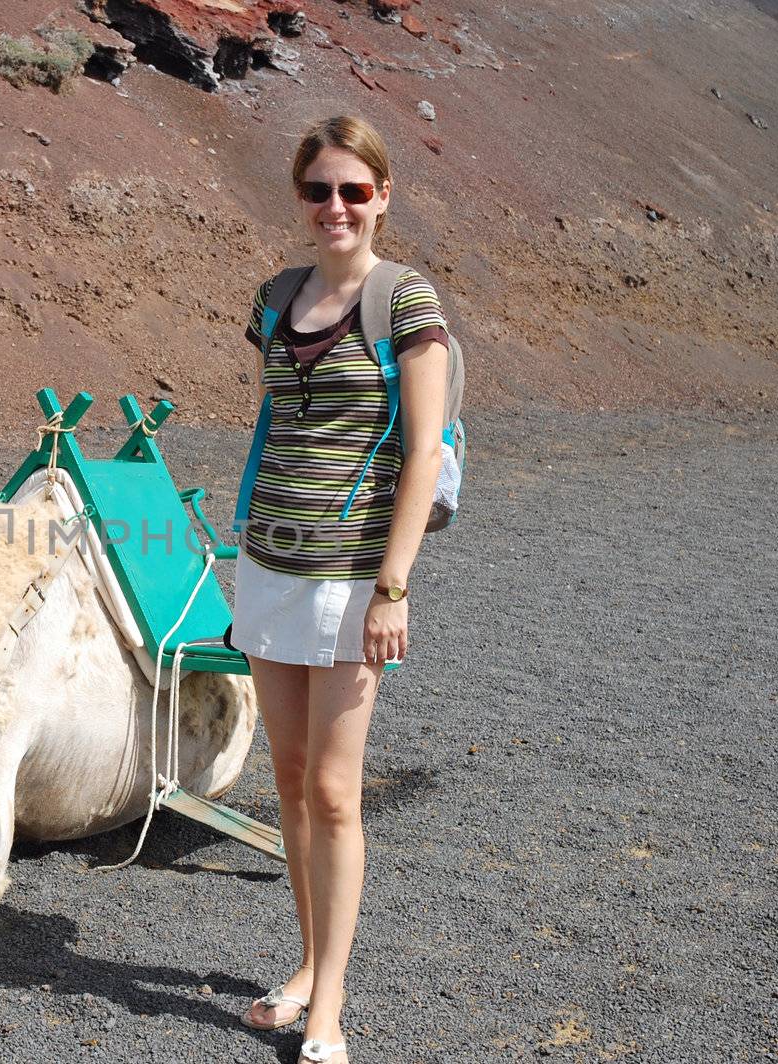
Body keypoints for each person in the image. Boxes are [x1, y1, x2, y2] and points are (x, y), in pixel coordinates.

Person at [229, 115, 450, 1064]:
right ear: (300, 196)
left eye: (354, 190)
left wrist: (392, 586)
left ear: (384, 196)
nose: (335, 207)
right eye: (319, 189)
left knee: (332, 791)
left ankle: (332, 1005)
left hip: (352, 578)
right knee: (282, 779)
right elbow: (286, 426)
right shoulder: (276, 296)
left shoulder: (407, 301)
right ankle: (308, 965)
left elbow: (424, 449)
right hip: (268, 562)